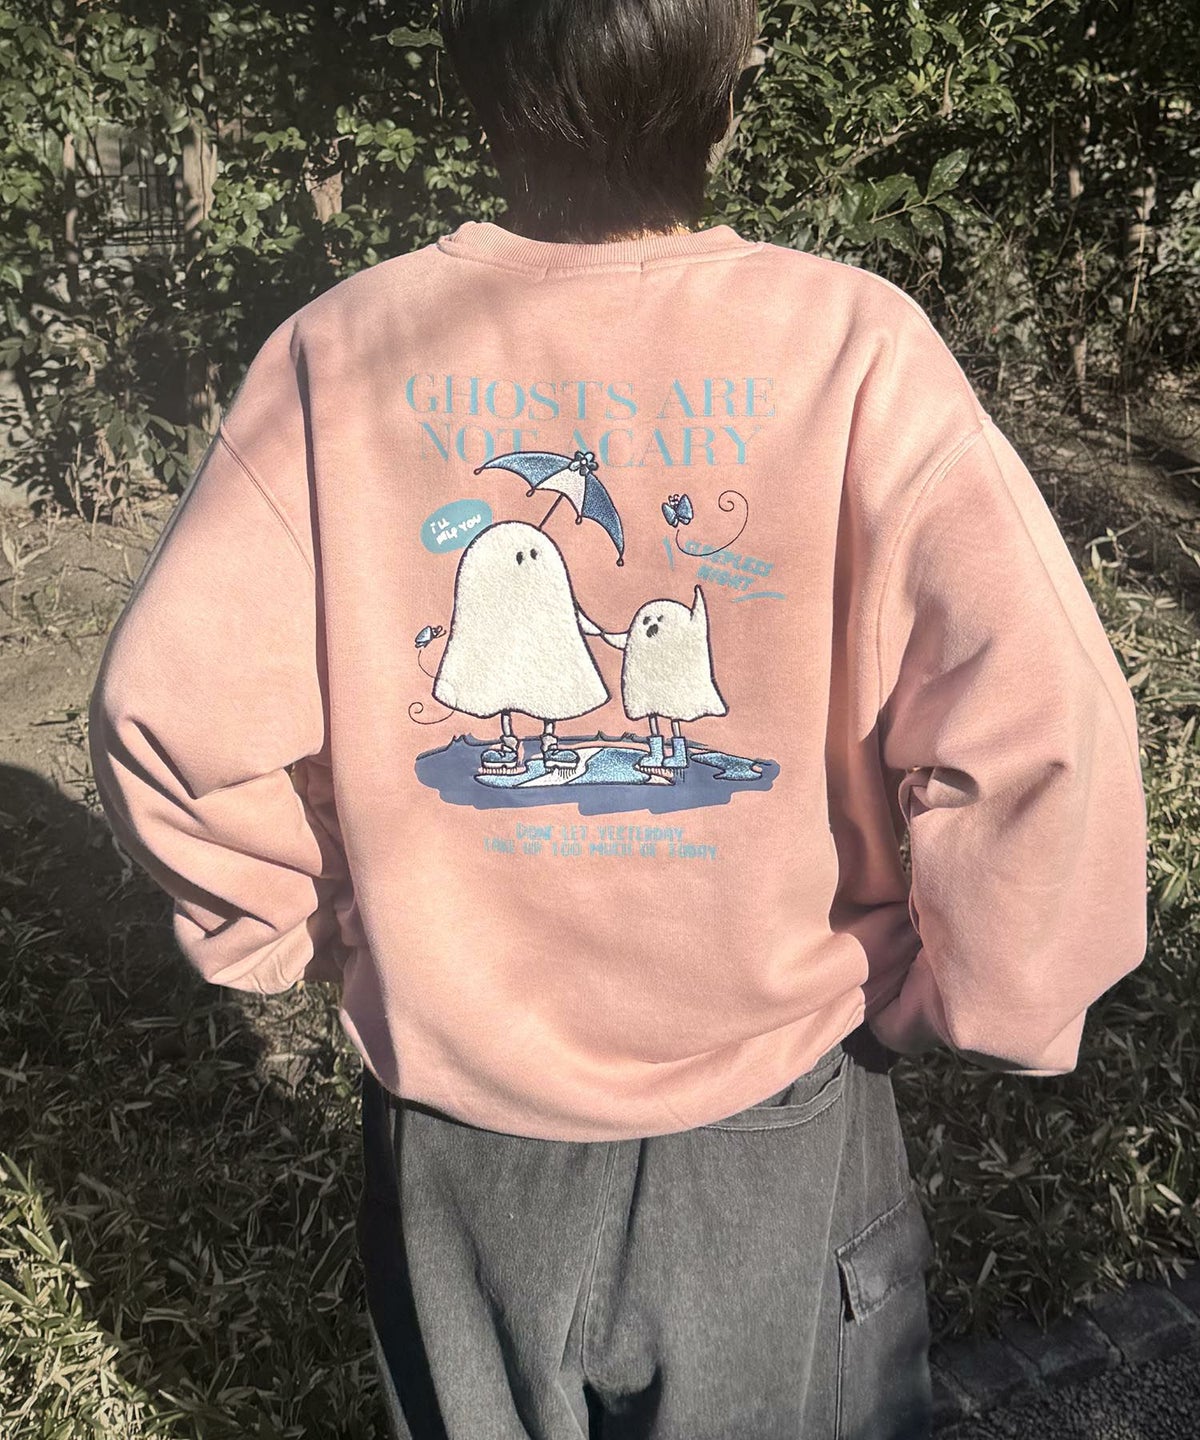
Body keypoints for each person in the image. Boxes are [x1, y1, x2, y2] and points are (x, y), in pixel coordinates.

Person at [86, 1, 1149, 1436]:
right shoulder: (853, 347)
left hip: (459, 1141)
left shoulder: (341, 355)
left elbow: (169, 713)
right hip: (773, 1126)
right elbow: (1043, 730)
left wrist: (300, 924)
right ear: (733, 90)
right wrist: (978, 991)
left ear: (470, 82)